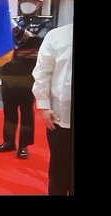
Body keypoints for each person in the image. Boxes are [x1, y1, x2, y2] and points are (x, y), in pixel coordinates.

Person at [0, 0, 54, 159]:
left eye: (31, 1)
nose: (27, 4)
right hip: (9, 72)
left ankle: (24, 145)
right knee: (9, 109)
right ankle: (9, 141)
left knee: (26, 110)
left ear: (39, 4)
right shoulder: (15, 21)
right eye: (24, 1)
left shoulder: (46, 23)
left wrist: (16, 30)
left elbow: (35, 42)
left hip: (28, 74)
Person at [32, 23, 73, 195]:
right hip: (61, 116)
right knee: (59, 169)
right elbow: (43, 72)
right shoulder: (57, 35)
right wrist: (43, 103)